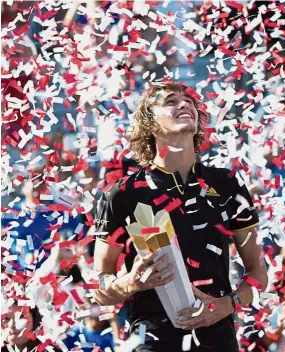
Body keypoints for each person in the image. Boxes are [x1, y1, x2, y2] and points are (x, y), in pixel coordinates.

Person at [93, 83, 268, 352]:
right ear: (150, 123)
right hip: (151, 342)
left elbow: (258, 274)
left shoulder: (228, 183)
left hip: (218, 341)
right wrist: (131, 282)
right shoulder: (122, 194)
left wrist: (228, 304)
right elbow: (99, 286)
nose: (184, 104)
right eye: (171, 101)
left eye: (188, 100)